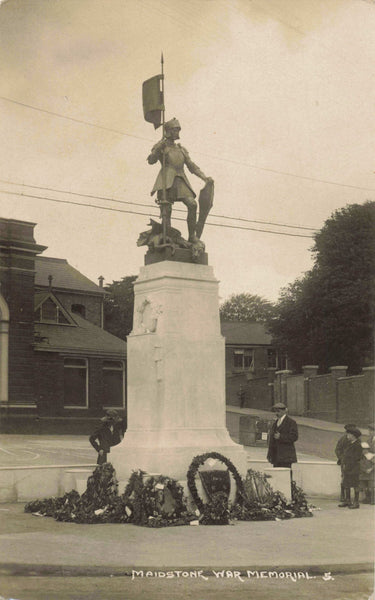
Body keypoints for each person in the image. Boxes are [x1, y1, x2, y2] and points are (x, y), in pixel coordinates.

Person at [147, 118, 213, 242]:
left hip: (181, 180)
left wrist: (205, 178)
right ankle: (167, 236)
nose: (178, 132)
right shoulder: (161, 146)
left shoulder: (181, 149)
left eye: (178, 130)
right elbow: (151, 160)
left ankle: (192, 236)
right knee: (167, 209)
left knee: (192, 204)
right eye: (176, 130)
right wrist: (158, 148)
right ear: (169, 131)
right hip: (166, 181)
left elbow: (191, 166)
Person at [267, 403, 298, 468]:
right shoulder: (275, 423)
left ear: (284, 411)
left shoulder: (291, 422)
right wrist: (270, 454)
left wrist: (281, 437)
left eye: (278, 411)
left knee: (286, 474)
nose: (276, 413)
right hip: (276, 456)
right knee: (277, 475)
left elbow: (294, 437)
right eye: (275, 411)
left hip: (286, 456)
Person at [338, 427, 362, 509]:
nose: (347, 436)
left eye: (349, 434)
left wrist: (348, 466)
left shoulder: (358, 445)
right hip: (347, 467)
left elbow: (356, 458)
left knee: (355, 485)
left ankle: (356, 502)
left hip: (354, 468)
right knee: (346, 484)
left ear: (353, 436)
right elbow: (345, 455)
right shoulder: (350, 444)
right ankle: (347, 501)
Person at [335, 423, 357, 502]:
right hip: (345, 463)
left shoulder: (357, 440)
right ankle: (343, 496)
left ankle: (353, 499)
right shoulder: (343, 439)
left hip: (354, 463)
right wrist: (342, 459)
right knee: (344, 478)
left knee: (354, 479)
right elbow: (337, 450)